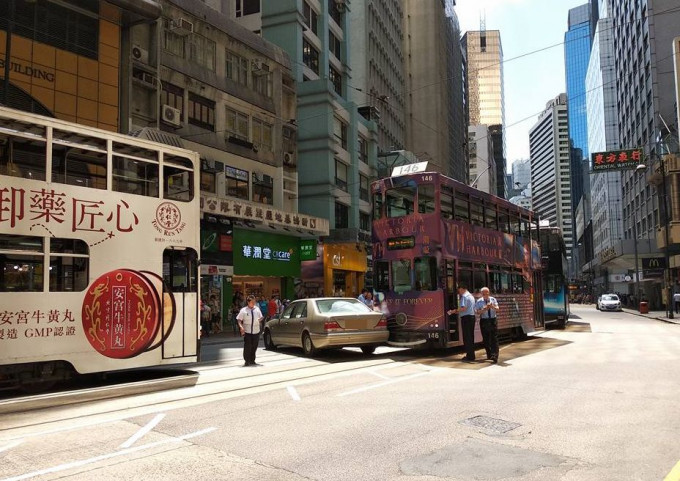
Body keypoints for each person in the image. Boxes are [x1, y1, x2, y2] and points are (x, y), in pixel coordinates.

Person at [447, 283, 477, 362]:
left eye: (459, 290)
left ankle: (470, 356)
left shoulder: (464, 296)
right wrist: (457, 311)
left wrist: (454, 311)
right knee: (470, 337)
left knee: (467, 337)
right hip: (472, 317)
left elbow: (463, 308)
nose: (458, 291)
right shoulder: (471, 296)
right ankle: (471, 355)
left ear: (462, 289)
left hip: (466, 318)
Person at [236, 295, 265, 367]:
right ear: (248, 302)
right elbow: (239, 320)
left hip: (256, 331)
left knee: (254, 346)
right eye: (252, 302)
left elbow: (261, 317)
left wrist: (260, 320)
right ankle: (247, 360)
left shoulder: (257, 309)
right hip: (247, 331)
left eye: (254, 301)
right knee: (248, 346)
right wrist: (241, 327)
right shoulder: (243, 310)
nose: (254, 303)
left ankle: (252, 360)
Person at [475, 287, 500, 363]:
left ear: (489, 293)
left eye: (487, 293)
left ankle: (495, 355)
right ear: (481, 294)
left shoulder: (493, 299)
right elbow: (477, 312)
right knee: (486, 339)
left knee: (494, 338)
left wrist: (492, 306)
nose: (486, 295)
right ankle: (489, 354)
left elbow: (498, 309)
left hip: (493, 320)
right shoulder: (479, 301)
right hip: (484, 321)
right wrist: (484, 308)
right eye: (484, 294)